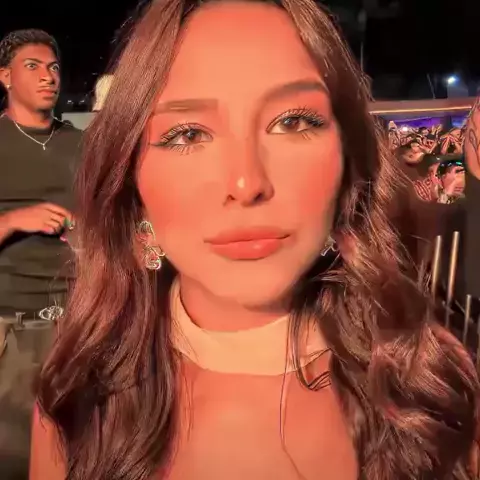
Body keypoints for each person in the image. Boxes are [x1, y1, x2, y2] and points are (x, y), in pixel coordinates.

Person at [33, 1, 479, 480]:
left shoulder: (432, 386)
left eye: (293, 122)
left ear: (348, 160)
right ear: (131, 182)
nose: (246, 183)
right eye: (188, 133)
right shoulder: (77, 399)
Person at [0, 29, 80, 478]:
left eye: (53, 67)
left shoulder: (79, 144)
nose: (48, 76)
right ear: (5, 77)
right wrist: (15, 220)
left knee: (80, 450)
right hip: (13, 326)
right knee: (17, 458)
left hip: (80, 321)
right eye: (32, 66)